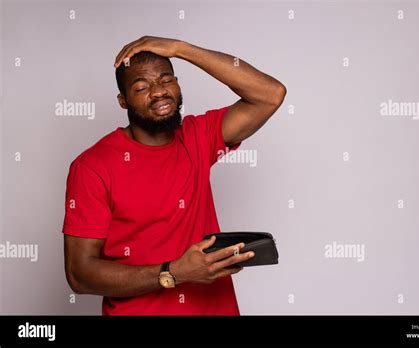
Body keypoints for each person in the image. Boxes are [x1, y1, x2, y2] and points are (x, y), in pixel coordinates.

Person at [62, 36, 286, 315]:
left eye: (166, 80)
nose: (158, 92)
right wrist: (174, 272)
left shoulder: (198, 137)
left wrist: (183, 49)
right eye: (141, 87)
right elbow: (79, 273)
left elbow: (270, 94)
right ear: (123, 101)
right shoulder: (92, 166)